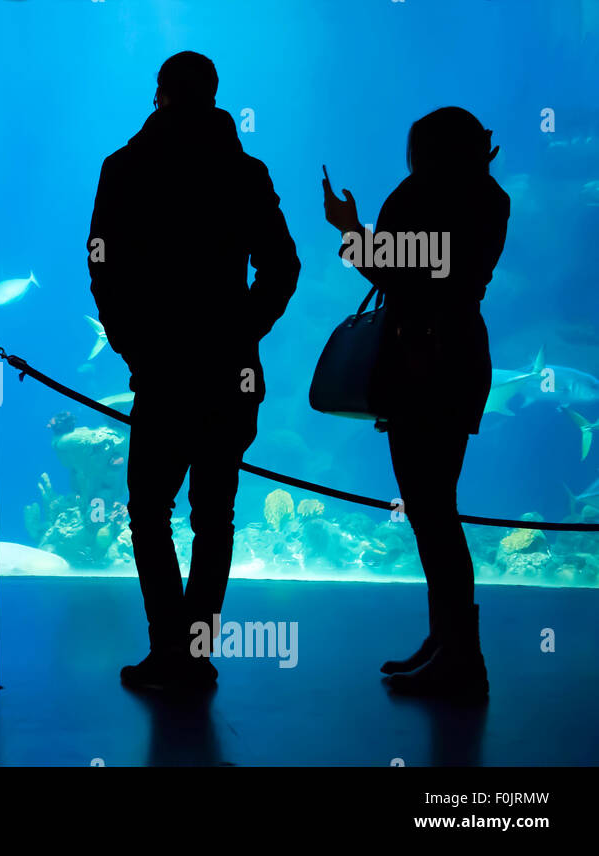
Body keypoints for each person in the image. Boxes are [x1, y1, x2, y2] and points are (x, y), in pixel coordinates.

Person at [87, 51, 300, 689]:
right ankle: (196, 651)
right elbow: (283, 266)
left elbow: (101, 261)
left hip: (162, 368)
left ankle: (168, 650)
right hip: (229, 371)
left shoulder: (125, 169)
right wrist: (242, 330)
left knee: (148, 509)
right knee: (215, 515)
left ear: (159, 95)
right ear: (213, 95)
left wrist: (131, 344)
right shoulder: (245, 172)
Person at [323, 106, 509, 700]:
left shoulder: (422, 196)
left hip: (421, 363)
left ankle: (461, 657)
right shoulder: (490, 198)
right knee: (436, 509)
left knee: (431, 512)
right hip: (459, 357)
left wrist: (347, 228)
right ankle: (447, 641)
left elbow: (393, 273)